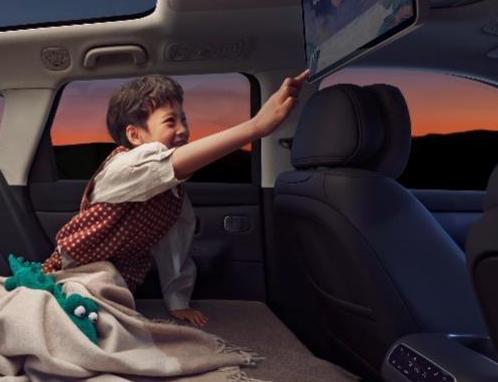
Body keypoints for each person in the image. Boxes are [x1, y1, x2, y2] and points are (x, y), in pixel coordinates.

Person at [43, 70, 309, 327]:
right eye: (170, 122)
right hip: (73, 272)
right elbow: (168, 164)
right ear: (135, 135)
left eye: (184, 120)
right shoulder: (123, 168)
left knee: (111, 310)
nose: (183, 130)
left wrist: (177, 301)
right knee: (86, 314)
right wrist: (256, 126)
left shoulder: (173, 195)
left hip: (117, 282)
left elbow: (175, 249)